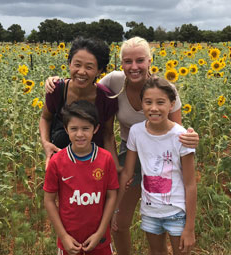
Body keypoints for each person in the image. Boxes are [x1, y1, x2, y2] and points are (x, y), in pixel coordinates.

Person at [45, 36, 199, 255]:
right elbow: (84, 79)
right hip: (131, 152)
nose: (133, 67)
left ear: (149, 61)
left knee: (169, 212)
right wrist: (55, 81)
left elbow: (175, 132)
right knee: (118, 222)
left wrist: (190, 136)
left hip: (162, 155)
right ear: (121, 64)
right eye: (128, 61)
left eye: (140, 61)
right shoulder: (114, 81)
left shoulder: (164, 89)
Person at [112, 76, 197, 255]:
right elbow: (127, 173)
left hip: (177, 212)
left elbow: (190, 184)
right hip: (150, 211)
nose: (154, 108)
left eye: (160, 102)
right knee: (156, 251)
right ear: (142, 104)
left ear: (171, 104)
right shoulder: (136, 132)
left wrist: (189, 228)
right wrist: (116, 209)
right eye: (148, 102)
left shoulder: (181, 136)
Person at [43, 100, 119, 255]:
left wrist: (101, 232)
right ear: (66, 129)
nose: (79, 134)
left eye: (85, 128)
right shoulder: (57, 161)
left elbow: (111, 196)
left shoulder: (106, 158)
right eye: (74, 129)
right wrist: (63, 236)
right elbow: (49, 200)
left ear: (95, 129)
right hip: (69, 240)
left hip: (100, 239)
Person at [39, 36, 118, 169]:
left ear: (99, 70)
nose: (81, 72)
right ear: (69, 64)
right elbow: (45, 118)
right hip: (61, 161)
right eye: (77, 64)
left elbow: (108, 135)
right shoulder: (57, 89)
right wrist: (46, 143)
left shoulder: (106, 98)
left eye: (89, 67)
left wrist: (114, 168)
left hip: (94, 164)